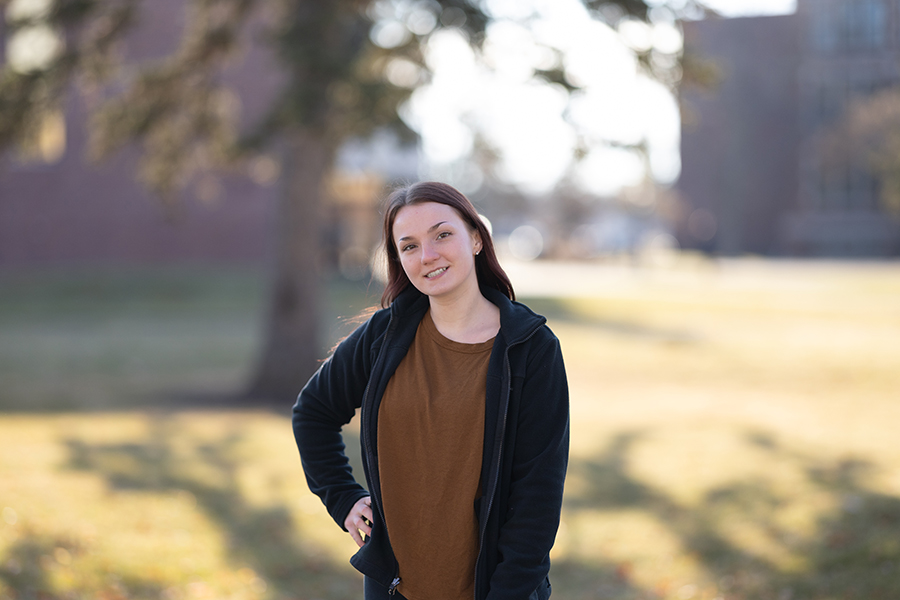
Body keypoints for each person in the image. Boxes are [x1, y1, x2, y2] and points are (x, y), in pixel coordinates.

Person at [292, 181, 569, 600]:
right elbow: (313, 411)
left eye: (442, 235)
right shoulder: (383, 336)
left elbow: (538, 499)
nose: (428, 256)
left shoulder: (530, 348)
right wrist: (343, 497)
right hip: (394, 590)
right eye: (409, 246)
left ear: (476, 238)